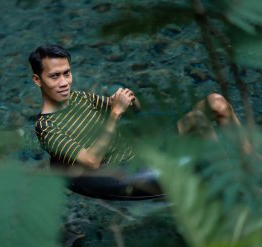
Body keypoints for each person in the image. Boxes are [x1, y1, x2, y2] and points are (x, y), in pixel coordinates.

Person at [28, 44, 244, 200]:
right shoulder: (47, 129)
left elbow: (135, 112)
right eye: (54, 76)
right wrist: (114, 114)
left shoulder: (80, 97)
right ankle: (234, 184)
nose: (64, 82)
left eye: (67, 73)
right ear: (38, 80)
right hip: (130, 166)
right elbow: (92, 161)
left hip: (146, 145)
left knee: (217, 102)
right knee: (198, 121)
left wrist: (128, 100)